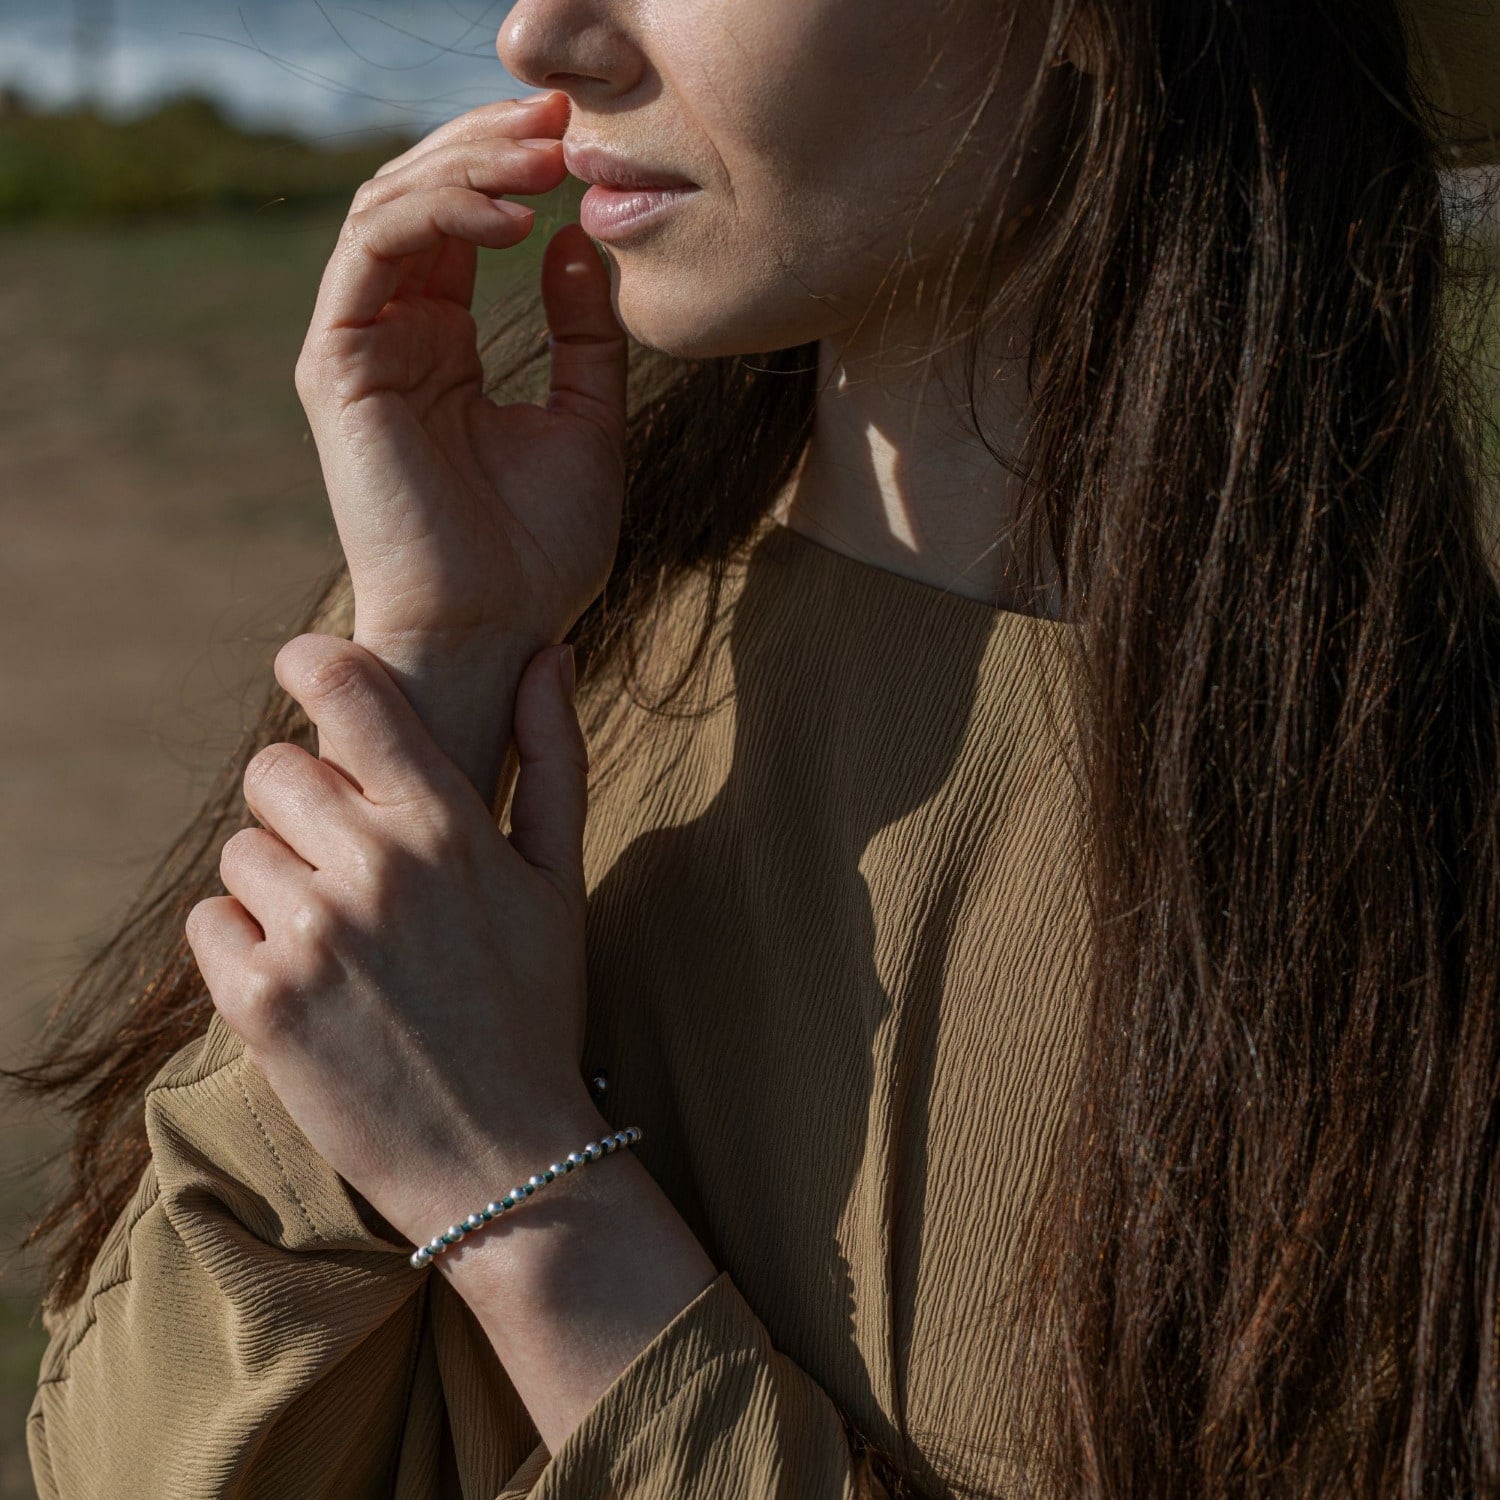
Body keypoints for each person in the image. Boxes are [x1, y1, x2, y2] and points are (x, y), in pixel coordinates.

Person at [9, 0, 1500, 1494]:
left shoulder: (1428, 862)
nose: (543, 35)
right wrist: (442, 667)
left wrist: (521, 1199)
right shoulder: (529, 645)